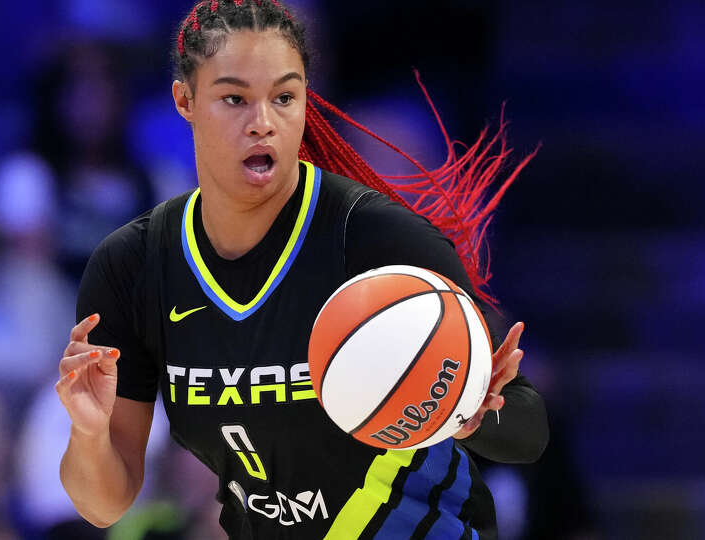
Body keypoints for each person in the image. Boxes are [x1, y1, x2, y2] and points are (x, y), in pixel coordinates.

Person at [57, 1, 548, 538]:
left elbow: (528, 431)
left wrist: (468, 408)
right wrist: (88, 431)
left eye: (284, 98)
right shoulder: (132, 265)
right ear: (186, 101)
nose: (262, 123)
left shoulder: (376, 237)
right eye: (234, 99)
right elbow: (103, 505)